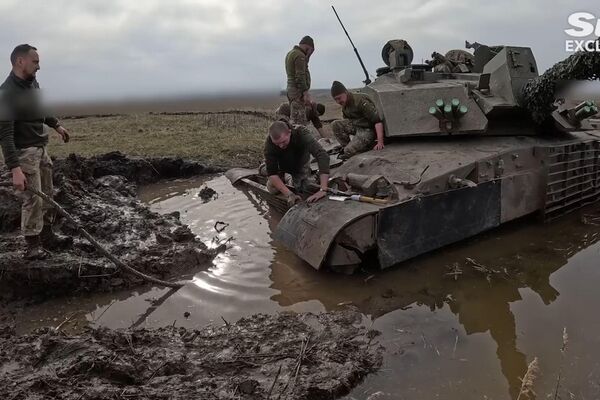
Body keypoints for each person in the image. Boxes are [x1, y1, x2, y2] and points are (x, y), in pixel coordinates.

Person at [0, 44, 72, 260]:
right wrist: (15, 169)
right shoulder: (6, 94)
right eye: (35, 62)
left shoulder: (32, 84)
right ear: (20, 61)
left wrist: (56, 125)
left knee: (48, 195)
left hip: (41, 148)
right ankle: (32, 246)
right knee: (33, 199)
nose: (39, 66)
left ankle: (48, 235)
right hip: (24, 153)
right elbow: (5, 136)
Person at [263, 120, 329, 206]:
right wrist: (289, 194)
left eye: (283, 141)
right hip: (280, 166)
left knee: (303, 187)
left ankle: (289, 178)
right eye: (277, 144)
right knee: (272, 189)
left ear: (289, 132)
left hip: (299, 164)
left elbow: (322, 155)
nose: (281, 146)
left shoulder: (301, 133)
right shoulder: (269, 143)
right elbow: (272, 174)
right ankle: (264, 168)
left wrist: (323, 190)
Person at [330, 81, 385, 159]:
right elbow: (346, 122)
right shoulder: (345, 105)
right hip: (357, 127)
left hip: (368, 130)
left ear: (346, 92)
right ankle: (347, 147)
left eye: (339, 98)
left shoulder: (360, 101)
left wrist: (380, 142)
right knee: (335, 124)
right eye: (335, 99)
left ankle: (358, 148)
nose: (338, 102)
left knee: (349, 151)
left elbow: (377, 121)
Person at [285, 36, 314, 126]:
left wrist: (307, 57)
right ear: (308, 47)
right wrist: (305, 93)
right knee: (299, 123)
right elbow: (300, 76)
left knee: (294, 118)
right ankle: (298, 139)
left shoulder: (291, 53)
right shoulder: (300, 55)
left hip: (291, 90)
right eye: (311, 51)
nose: (310, 53)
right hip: (297, 92)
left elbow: (299, 69)